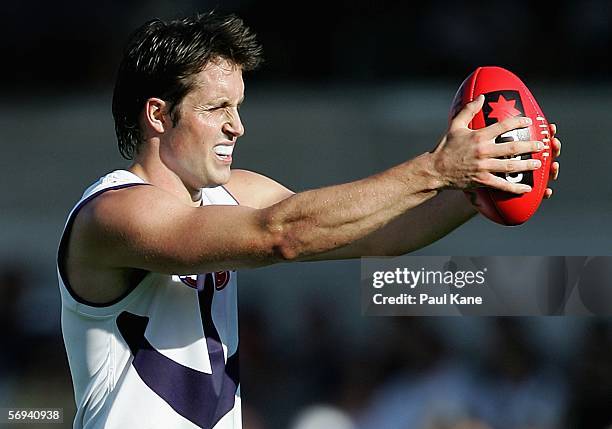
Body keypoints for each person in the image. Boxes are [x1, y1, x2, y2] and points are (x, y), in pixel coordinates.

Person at [56, 11, 561, 429]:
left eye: (238, 106)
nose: (238, 125)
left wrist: (475, 187)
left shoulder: (231, 193)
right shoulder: (113, 213)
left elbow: (379, 234)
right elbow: (282, 234)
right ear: (158, 115)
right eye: (217, 108)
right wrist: (435, 168)